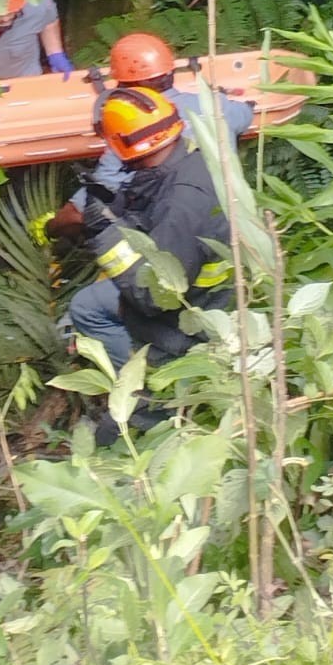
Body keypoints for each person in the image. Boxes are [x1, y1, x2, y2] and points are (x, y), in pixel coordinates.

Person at [67, 86, 234, 441]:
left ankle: (146, 407)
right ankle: (131, 377)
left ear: (118, 144)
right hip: (200, 303)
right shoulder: (192, 160)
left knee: (111, 439)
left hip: (187, 327)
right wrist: (119, 209)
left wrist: (106, 234)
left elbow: (156, 296)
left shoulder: (182, 201)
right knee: (86, 306)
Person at [42, 32, 253, 241]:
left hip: (169, 234)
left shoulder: (132, 134)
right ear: (170, 72)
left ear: (124, 87)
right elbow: (245, 112)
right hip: (231, 225)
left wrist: (50, 229)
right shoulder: (219, 106)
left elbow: (82, 212)